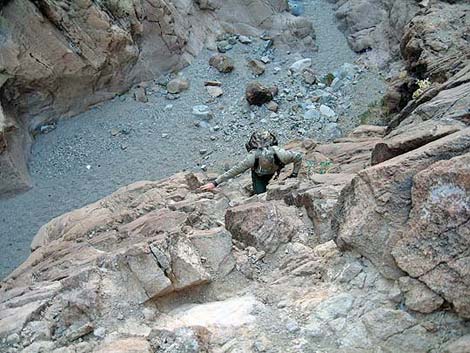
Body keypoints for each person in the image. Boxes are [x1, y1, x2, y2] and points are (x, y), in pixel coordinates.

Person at [200, 130, 303, 194]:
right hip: (268, 172)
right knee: (261, 195)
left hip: (260, 174)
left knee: (260, 196)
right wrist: (294, 174)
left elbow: (235, 171)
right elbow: (298, 157)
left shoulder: (252, 158)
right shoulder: (281, 154)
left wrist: (215, 183)